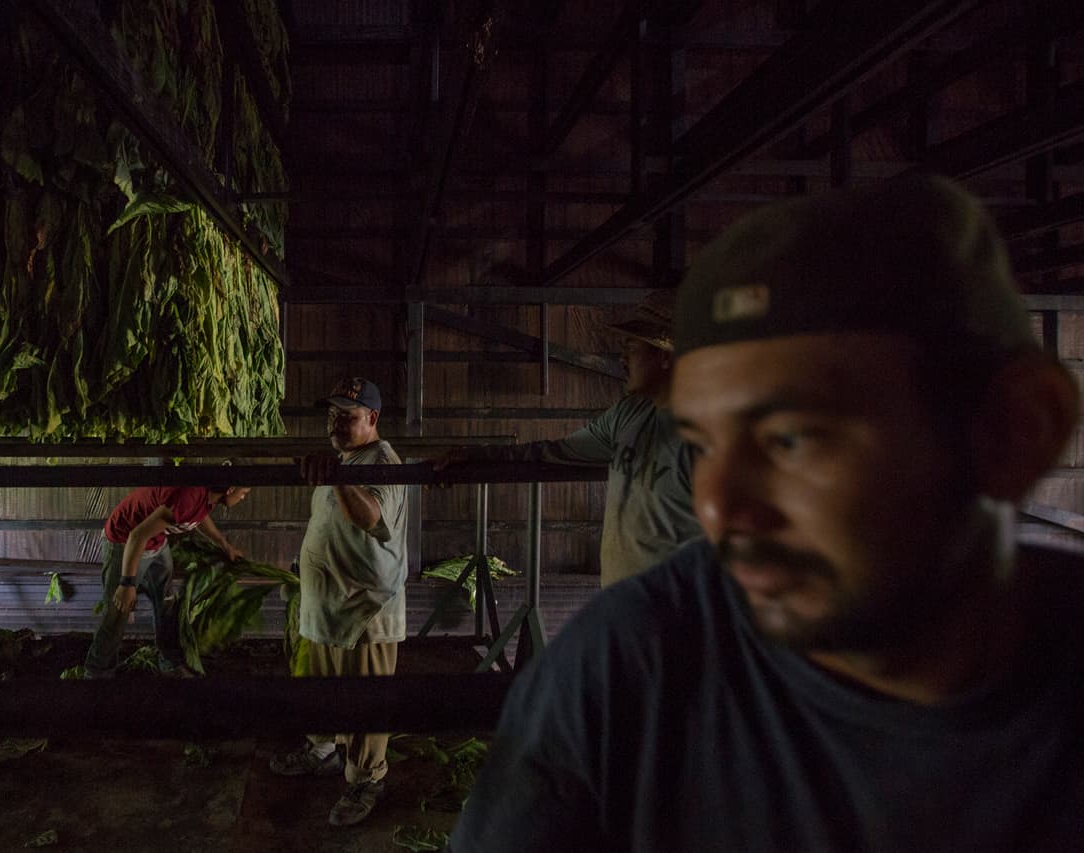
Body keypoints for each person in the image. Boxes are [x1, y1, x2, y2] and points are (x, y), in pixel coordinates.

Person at [447, 175, 1084, 851]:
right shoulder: (627, 669)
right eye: (702, 443)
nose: (718, 505)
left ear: (1019, 427)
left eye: (791, 438)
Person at [434, 291, 700, 587]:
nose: (623, 359)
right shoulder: (628, 415)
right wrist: (480, 455)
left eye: (633, 348)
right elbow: (554, 451)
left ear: (665, 356)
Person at [269, 377, 408, 827]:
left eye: (347, 417)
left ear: (372, 419)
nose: (336, 424)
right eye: (332, 416)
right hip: (328, 605)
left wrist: (339, 477)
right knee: (324, 688)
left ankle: (367, 778)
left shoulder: (381, 461)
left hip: (366, 607)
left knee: (365, 700)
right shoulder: (343, 459)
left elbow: (372, 518)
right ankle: (324, 748)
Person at [83, 484, 249, 678]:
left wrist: (224, 544)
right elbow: (137, 535)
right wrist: (127, 583)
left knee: (167, 603)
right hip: (125, 542)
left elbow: (198, 516)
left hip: (156, 543)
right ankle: (97, 674)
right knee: (118, 610)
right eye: (244, 493)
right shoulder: (189, 495)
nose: (243, 497)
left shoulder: (206, 496)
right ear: (230, 489)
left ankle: (170, 662)